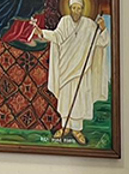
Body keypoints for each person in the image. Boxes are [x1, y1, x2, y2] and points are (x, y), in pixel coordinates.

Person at [31, 0, 110, 145]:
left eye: (79, 8)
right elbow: (57, 36)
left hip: (81, 70)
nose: (76, 11)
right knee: (66, 98)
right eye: (73, 8)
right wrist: (41, 32)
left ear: (83, 9)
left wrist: (103, 29)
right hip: (66, 68)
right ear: (69, 8)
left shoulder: (89, 25)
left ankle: (77, 130)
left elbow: (102, 42)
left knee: (79, 99)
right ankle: (65, 127)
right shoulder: (65, 21)